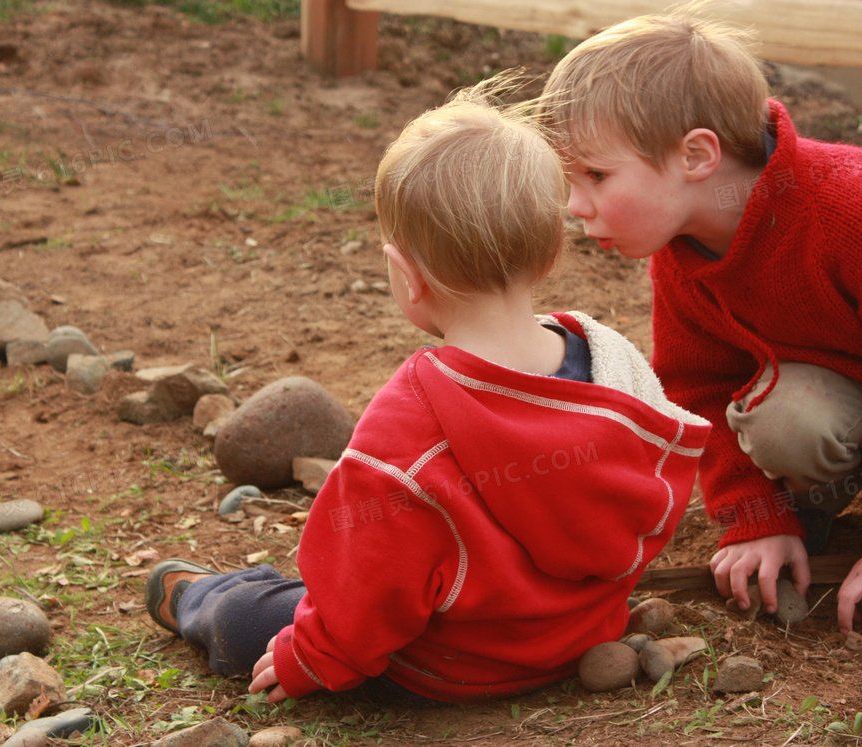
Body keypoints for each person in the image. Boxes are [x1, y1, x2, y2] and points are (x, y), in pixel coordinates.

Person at [144, 83, 711, 704]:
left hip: (446, 665)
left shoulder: (410, 424)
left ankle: (193, 595)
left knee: (252, 618)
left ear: (405, 276)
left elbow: (372, 581)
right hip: (576, 637)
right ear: (551, 255)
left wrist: (316, 657)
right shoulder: (614, 367)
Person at [537, 10, 862, 641]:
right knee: (783, 420)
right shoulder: (682, 252)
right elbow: (697, 388)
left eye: (595, 175)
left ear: (697, 155)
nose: (575, 205)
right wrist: (757, 515)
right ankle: (809, 517)